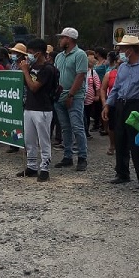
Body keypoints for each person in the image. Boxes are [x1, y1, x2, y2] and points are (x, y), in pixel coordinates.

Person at [102, 35, 139, 189]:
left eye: (122, 48)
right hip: (121, 104)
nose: (120, 51)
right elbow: (116, 88)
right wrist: (108, 105)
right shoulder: (123, 67)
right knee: (120, 139)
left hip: (138, 105)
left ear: (130, 50)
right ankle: (122, 173)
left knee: (138, 142)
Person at [17, 38, 56, 182]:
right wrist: (25, 71)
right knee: (29, 139)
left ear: (38, 53)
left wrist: (25, 71)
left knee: (43, 140)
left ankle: (45, 167)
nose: (28, 56)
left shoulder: (47, 69)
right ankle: (32, 166)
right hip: (30, 107)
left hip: (43, 109)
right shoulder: (32, 67)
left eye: (31, 53)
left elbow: (34, 87)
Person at [53, 27, 89, 171]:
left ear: (69, 39)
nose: (60, 40)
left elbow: (80, 76)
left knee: (77, 126)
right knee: (65, 127)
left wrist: (71, 95)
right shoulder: (59, 56)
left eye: (62, 37)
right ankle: (67, 156)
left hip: (74, 96)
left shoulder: (80, 55)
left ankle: (82, 157)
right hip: (60, 96)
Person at [100, 52, 121, 156]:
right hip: (112, 102)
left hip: (125, 102)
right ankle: (112, 145)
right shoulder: (110, 74)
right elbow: (103, 89)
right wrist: (104, 103)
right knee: (112, 125)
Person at [83, 57, 101, 139]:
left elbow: (97, 85)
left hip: (89, 98)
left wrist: (97, 95)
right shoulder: (79, 71)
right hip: (79, 97)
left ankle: (86, 131)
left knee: (86, 115)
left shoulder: (93, 72)